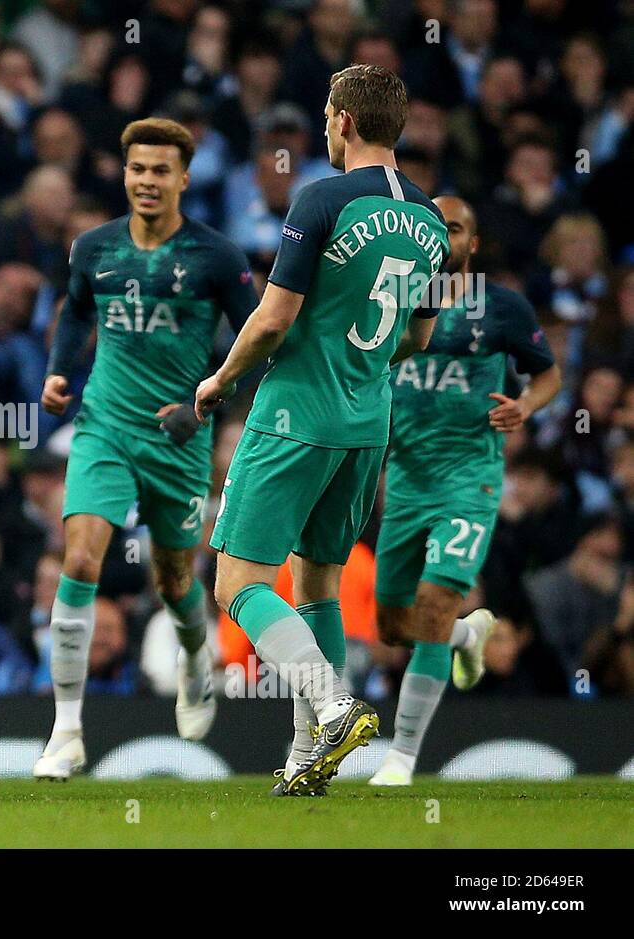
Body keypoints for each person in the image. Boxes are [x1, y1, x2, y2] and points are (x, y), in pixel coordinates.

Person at [194, 65, 449, 796]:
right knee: (317, 584)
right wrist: (359, 358)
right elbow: (418, 339)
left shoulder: (322, 198)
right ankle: (308, 754)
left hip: (294, 414)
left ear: (342, 120)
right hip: (368, 422)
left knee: (237, 581)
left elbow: (273, 318)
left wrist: (220, 380)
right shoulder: (430, 216)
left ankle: (333, 706)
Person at [34, 116, 258, 780]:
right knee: (79, 558)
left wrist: (203, 403)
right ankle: (66, 730)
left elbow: (259, 341)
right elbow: (76, 309)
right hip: (104, 425)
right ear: (125, 174)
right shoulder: (94, 247)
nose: (147, 181)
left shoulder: (217, 257)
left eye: (161, 170)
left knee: (174, 577)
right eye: (137, 169)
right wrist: (58, 370)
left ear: (184, 178)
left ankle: (196, 656)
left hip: (179, 439)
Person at [370, 195, 561, 786]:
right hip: (402, 482)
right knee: (391, 627)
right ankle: (467, 633)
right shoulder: (388, 299)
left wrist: (526, 404)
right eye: (435, 227)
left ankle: (401, 757)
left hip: (468, 480)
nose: (445, 238)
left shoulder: (499, 307)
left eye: (455, 228)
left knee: (431, 605)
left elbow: (548, 373)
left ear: (471, 244)